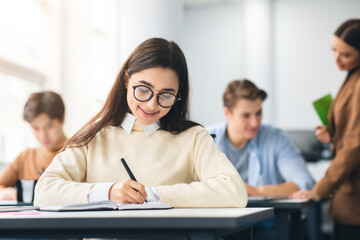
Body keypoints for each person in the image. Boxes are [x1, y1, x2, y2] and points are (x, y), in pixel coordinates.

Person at [34, 38, 247, 208]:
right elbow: (44, 191)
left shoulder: (193, 138)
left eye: (166, 95)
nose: (152, 104)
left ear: (178, 94)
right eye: (143, 89)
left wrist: (153, 195)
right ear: (127, 81)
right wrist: (108, 193)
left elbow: (234, 191)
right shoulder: (95, 135)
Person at [292, 19, 360, 240]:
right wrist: (333, 137)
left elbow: (353, 147)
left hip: (354, 195)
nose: (337, 59)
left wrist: (319, 190)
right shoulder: (351, 76)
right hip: (346, 191)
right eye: (334, 50)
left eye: (346, 54)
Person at [207, 79, 315, 197]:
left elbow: (305, 182)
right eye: (246, 116)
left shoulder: (275, 137)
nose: (254, 123)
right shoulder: (205, 138)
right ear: (227, 113)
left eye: (258, 113)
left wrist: (256, 191)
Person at [0, 91, 67, 201]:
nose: (43, 135)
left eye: (49, 126)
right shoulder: (25, 157)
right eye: (35, 128)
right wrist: (4, 193)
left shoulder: (79, 152)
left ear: (62, 119)